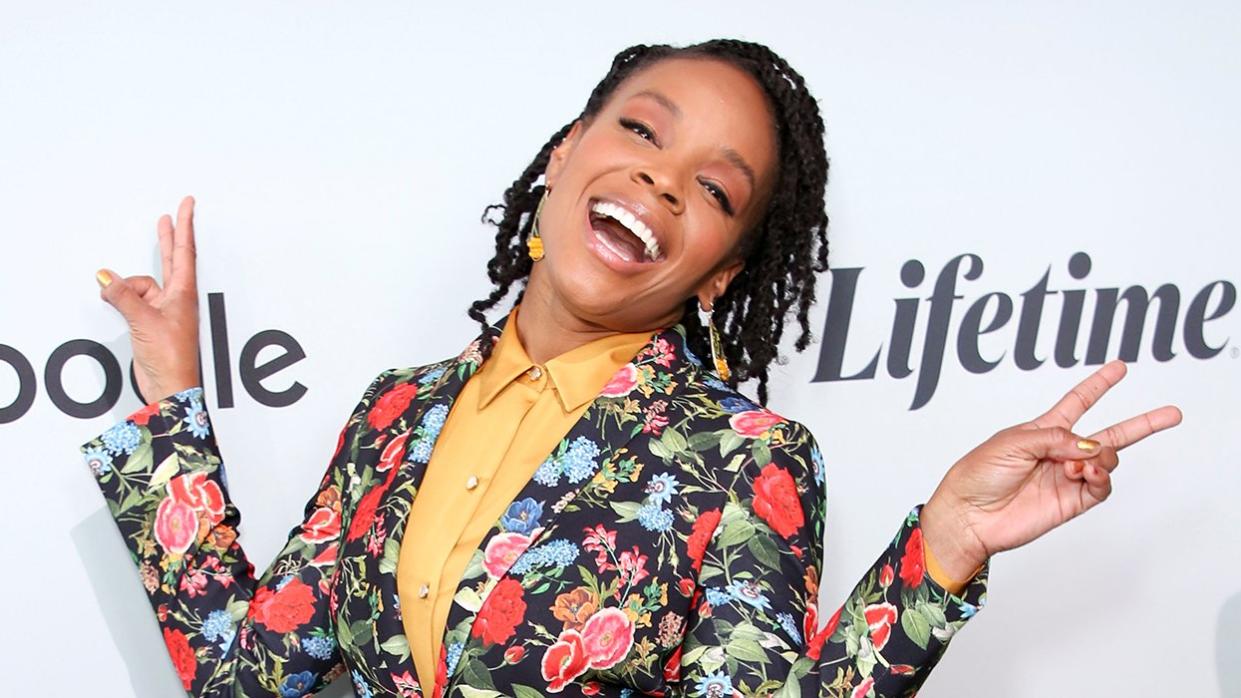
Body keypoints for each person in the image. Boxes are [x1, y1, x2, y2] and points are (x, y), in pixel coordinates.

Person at [80, 39, 1181, 698]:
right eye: (642, 133)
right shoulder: (395, 411)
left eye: (711, 189)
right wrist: (173, 390)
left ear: (719, 272)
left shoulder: (743, 458)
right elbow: (243, 672)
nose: (659, 182)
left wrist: (940, 548)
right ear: (566, 151)